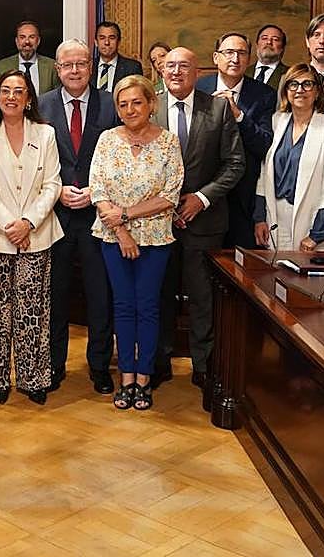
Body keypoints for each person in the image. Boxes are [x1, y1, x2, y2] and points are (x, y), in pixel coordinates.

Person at [152, 47, 244, 390]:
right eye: (170, 65)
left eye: (184, 66)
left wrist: (201, 198)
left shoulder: (218, 109)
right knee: (159, 295)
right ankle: (158, 362)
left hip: (204, 223)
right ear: (162, 71)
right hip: (156, 224)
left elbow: (235, 163)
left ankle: (204, 366)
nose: (176, 71)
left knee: (203, 299)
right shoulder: (149, 107)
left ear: (198, 71)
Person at [91, 75, 183, 411]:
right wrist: (122, 231)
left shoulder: (168, 142)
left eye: (136, 102)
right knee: (123, 307)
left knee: (147, 307)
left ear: (151, 104)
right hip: (112, 238)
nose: (130, 109)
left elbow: (169, 196)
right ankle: (125, 378)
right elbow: (98, 190)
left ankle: (144, 379)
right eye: (123, 104)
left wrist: (126, 215)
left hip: (156, 239)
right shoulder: (106, 140)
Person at [40, 39, 119, 395]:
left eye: (81, 64)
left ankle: (99, 366)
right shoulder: (41, 106)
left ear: (92, 66)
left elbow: (120, 158)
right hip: (54, 216)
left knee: (99, 295)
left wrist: (95, 192)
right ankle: (54, 366)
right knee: (55, 296)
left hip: (97, 216)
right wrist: (57, 191)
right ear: (57, 69)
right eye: (67, 65)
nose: (75, 71)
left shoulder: (110, 104)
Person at [0, 70, 63, 405]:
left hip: (37, 236)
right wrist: (9, 225)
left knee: (33, 311)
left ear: (29, 98)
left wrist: (27, 222)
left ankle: (33, 377)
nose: (11, 96)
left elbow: (53, 184)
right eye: (5, 91)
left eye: (18, 91)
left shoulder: (45, 134)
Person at [253, 64, 324, 253]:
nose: (299, 90)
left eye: (307, 84)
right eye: (293, 84)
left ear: (318, 91)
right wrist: (260, 217)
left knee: (303, 280)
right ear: (286, 90)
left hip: (311, 220)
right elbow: (263, 174)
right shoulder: (276, 121)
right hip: (275, 218)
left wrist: (317, 235)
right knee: (275, 278)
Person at [197, 32, 275, 248]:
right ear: (215, 57)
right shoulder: (199, 88)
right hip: (204, 192)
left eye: (242, 53)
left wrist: (238, 114)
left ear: (249, 59)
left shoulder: (264, 94)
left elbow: (265, 145)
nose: (235, 59)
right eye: (229, 52)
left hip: (244, 196)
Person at [0, 20, 59, 96]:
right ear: (17, 41)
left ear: (38, 41)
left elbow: (58, 98)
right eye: (22, 37)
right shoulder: (3, 66)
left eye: (32, 37)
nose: (27, 41)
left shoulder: (51, 66)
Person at [93, 21, 143, 94]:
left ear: (119, 42)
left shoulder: (132, 68)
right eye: (102, 38)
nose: (107, 42)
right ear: (96, 42)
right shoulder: (88, 66)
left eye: (112, 38)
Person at [252, 24, 289, 90]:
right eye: (264, 38)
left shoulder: (290, 74)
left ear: (282, 47)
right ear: (257, 44)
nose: (269, 42)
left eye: (275, 39)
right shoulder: (243, 72)